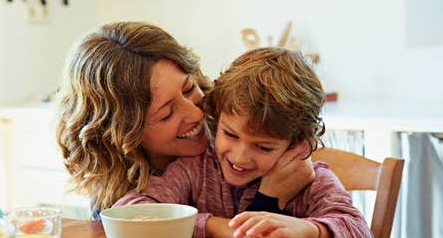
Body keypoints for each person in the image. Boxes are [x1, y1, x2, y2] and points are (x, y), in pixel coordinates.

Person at [115, 47, 375, 238]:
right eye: (230, 134)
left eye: (263, 147)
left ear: (297, 145)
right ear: (216, 118)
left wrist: (309, 230)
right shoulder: (195, 170)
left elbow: (361, 235)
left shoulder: (312, 181)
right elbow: (132, 210)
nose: (239, 157)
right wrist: (214, 226)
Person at [56, 21, 315, 220]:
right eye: (166, 114)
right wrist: (267, 201)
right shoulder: (123, 203)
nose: (197, 114)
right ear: (122, 133)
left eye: (189, 88)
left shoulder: (238, 144)